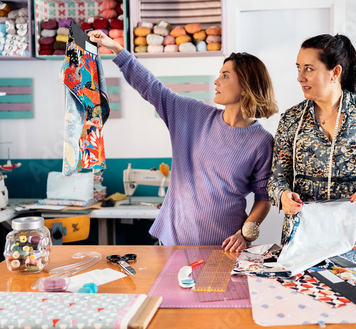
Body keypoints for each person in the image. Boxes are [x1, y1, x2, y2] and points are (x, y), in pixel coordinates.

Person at [88, 30, 278, 252]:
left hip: (226, 245)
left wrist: (244, 233)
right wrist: (116, 48)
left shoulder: (262, 141)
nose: (216, 81)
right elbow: (152, 87)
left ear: (246, 87)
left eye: (225, 75)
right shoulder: (192, 114)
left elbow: (263, 197)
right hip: (174, 239)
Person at [267, 34, 356, 244]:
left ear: (335, 72)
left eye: (309, 69)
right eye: (298, 68)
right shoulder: (291, 119)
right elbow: (276, 178)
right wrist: (282, 195)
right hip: (308, 232)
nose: (300, 77)